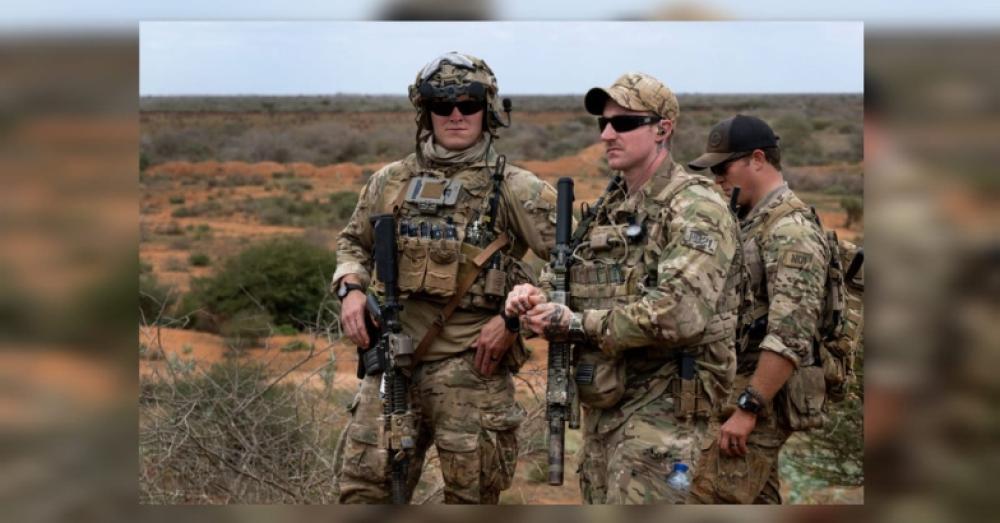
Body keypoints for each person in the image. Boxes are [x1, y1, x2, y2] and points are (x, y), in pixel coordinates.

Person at [331, 52, 559, 504]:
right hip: (392, 359)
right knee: (363, 491)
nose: (456, 115)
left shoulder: (516, 188)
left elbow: (573, 261)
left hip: (472, 366)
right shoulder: (390, 181)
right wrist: (350, 288)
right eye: (442, 104)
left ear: (486, 109)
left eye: (468, 103)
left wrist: (512, 320)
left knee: (471, 496)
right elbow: (352, 243)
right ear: (426, 111)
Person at [505, 73, 742, 504]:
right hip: (606, 408)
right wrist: (534, 298)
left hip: (664, 416)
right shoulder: (611, 207)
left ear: (663, 129)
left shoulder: (695, 207)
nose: (608, 134)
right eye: (604, 123)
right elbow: (572, 274)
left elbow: (680, 313)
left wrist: (577, 324)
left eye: (625, 123)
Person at [685, 114, 830, 504]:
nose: (717, 177)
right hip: (738, 390)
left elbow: (791, 334)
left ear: (758, 159)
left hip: (758, 399)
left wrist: (749, 408)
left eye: (723, 167)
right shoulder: (750, 220)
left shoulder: (790, 231)